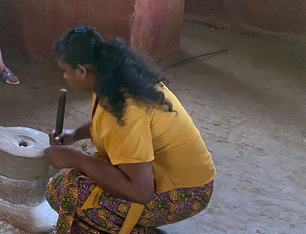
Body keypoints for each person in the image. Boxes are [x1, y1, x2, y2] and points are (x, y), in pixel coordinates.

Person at [45, 26, 215, 234]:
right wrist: (74, 134)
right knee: (67, 183)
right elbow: (104, 128)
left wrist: (76, 158)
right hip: (168, 174)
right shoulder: (110, 79)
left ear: (81, 70)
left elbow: (141, 192)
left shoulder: (124, 110)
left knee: (67, 192)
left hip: (187, 192)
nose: (64, 76)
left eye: (65, 70)